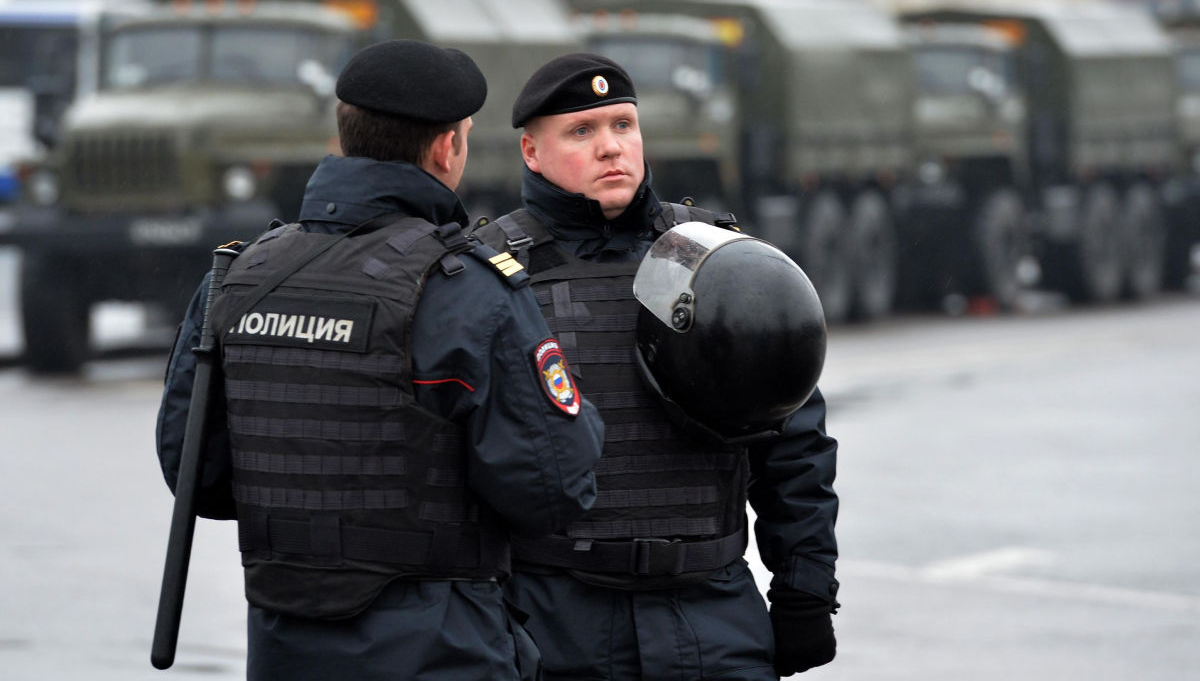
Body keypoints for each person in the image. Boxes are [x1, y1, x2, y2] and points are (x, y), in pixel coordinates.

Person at [155, 39, 605, 680]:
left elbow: (194, 472)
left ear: (345, 137)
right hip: (441, 645)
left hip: (284, 645)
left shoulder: (238, 277)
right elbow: (553, 487)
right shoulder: (464, 286)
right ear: (447, 147)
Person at [471, 53, 839, 680]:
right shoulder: (491, 276)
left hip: (712, 611)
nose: (610, 147)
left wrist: (804, 587)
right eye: (581, 132)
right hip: (557, 620)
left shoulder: (715, 259)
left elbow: (793, 440)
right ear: (532, 152)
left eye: (622, 125)